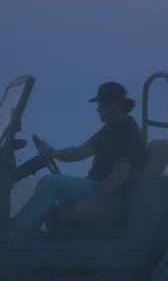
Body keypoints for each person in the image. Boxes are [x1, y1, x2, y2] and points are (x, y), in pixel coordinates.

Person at [8, 81, 147, 241]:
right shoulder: (111, 128)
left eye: (100, 104)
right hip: (97, 187)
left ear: (113, 104)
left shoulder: (128, 131)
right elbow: (79, 153)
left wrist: (94, 203)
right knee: (53, 202)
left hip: (111, 195)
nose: (97, 109)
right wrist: (53, 153)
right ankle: (28, 236)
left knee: (51, 183)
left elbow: (120, 174)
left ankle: (14, 236)